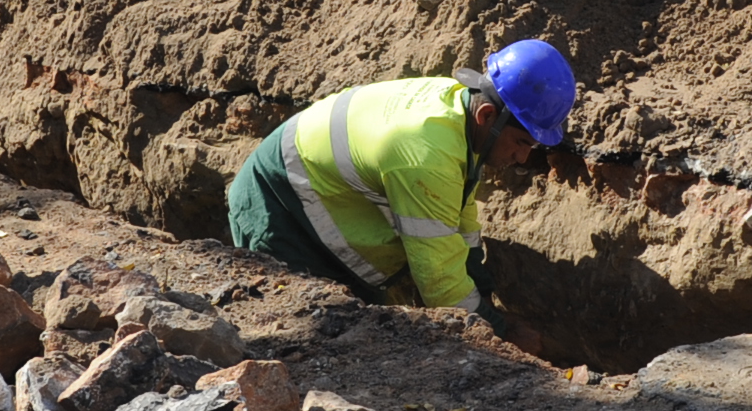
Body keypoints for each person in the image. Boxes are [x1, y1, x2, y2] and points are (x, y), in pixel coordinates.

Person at [226, 39, 575, 338]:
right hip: (278, 204)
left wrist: (484, 299)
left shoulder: (458, 115)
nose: (522, 157)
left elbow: (459, 223)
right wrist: (500, 331)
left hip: (307, 180)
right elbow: (439, 282)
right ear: (487, 116)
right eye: (521, 142)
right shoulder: (425, 155)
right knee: (326, 335)